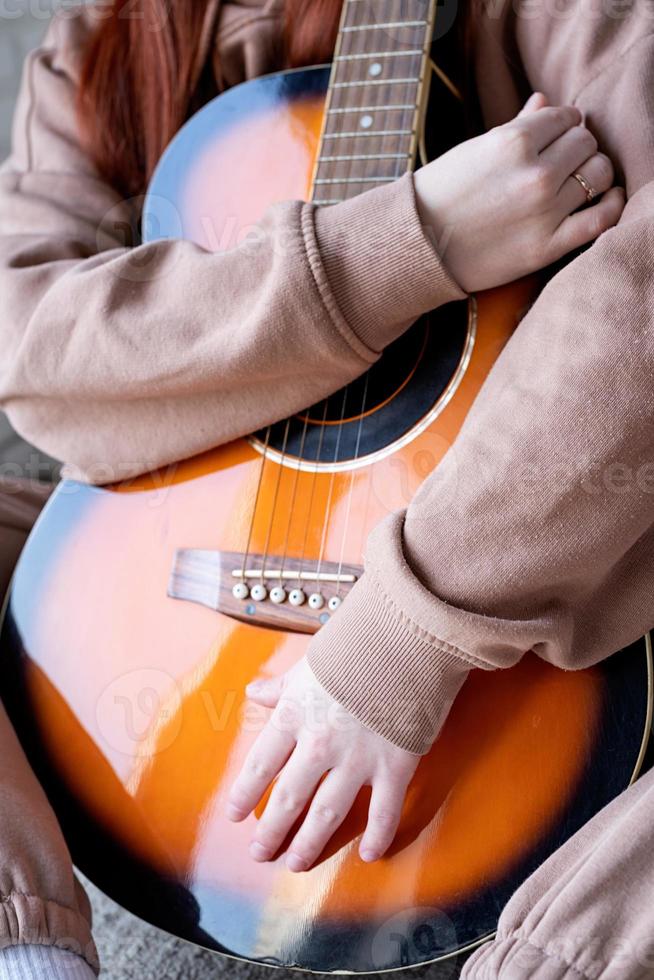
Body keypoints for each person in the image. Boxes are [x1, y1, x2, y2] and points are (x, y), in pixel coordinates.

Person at [0, 0, 652, 976]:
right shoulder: (98, 44)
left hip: (537, 559)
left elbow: (641, 293)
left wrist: (404, 631)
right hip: (173, 538)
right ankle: (29, 952)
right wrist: (413, 242)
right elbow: (39, 355)